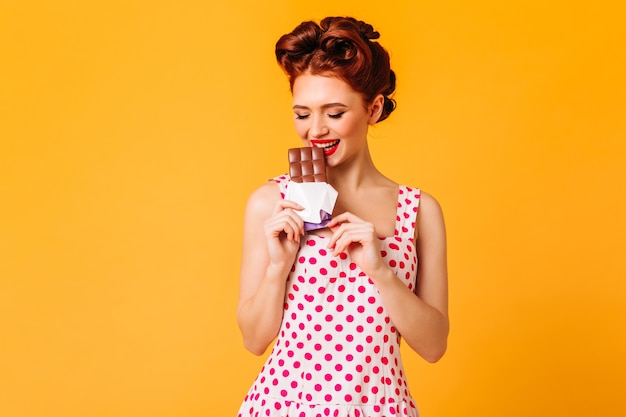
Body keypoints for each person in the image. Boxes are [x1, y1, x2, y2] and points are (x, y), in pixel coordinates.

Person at [236, 16, 448, 417]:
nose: (315, 130)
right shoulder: (272, 202)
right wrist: (277, 268)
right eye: (302, 114)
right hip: (286, 405)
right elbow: (253, 339)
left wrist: (380, 270)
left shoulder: (419, 211)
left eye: (334, 113)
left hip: (380, 407)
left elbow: (434, 345)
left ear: (374, 108)